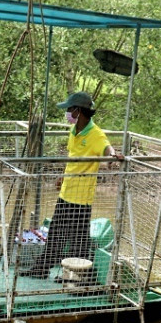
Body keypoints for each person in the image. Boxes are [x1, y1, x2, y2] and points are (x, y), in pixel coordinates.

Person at [25, 91, 117, 280]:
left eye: (69, 109)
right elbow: (72, 159)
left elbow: (108, 149)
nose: (67, 112)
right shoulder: (73, 131)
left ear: (79, 111)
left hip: (81, 198)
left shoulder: (95, 134)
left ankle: (83, 276)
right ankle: (42, 268)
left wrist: (113, 157)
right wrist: (62, 176)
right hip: (66, 193)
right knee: (55, 235)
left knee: (78, 241)